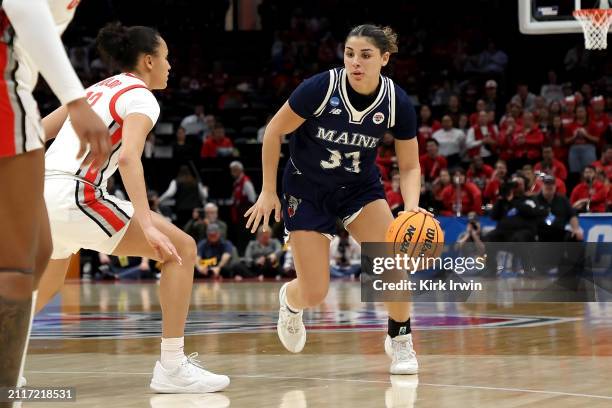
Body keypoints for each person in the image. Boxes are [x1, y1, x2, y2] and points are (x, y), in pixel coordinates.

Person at [36, 23, 229, 393]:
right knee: (182, 250)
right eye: (166, 58)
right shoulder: (140, 96)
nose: (170, 66)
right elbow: (128, 158)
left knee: (48, 280)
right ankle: (172, 366)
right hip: (78, 194)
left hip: (42, 192)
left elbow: (37, 131)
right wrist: (147, 222)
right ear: (147, 60)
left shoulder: (96, 89)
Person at [245, 24, 427, 375]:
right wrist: (268, 190)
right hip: (307, 189)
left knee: (392, 263)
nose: (355, 62)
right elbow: (274, 131)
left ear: (384, 59)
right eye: (349, 53)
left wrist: (410, 207)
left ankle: (400, 338)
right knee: (314, 291)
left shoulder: (396, 102)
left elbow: (409, 166)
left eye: (365, 55)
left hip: (359, 188)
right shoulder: (320, 88)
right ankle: (290, 302)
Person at [0, 0, 110, 392]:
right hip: (5, 86)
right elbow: (22, 6)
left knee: (39, 251)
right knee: (18, 266)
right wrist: (76, 102)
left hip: (18, 89)